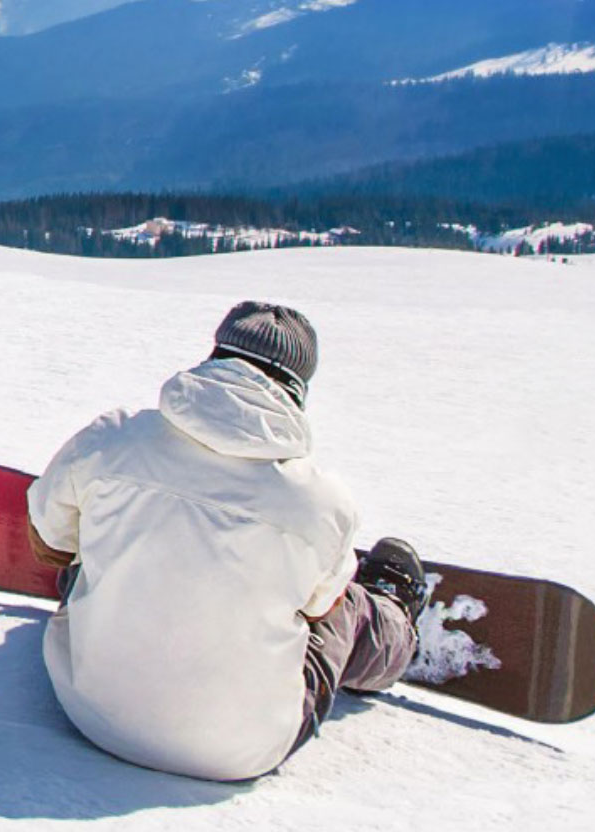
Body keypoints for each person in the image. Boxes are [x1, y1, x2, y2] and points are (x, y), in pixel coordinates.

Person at [24, 300, 428, 782]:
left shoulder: (113, 437)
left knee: (93, 551)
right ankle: (393, 625)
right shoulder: (322, 503)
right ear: (297, 391)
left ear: (215, 356)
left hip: (89, 712)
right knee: (348, 607)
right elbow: (320, 611)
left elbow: (48, 545)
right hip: (237, 750)